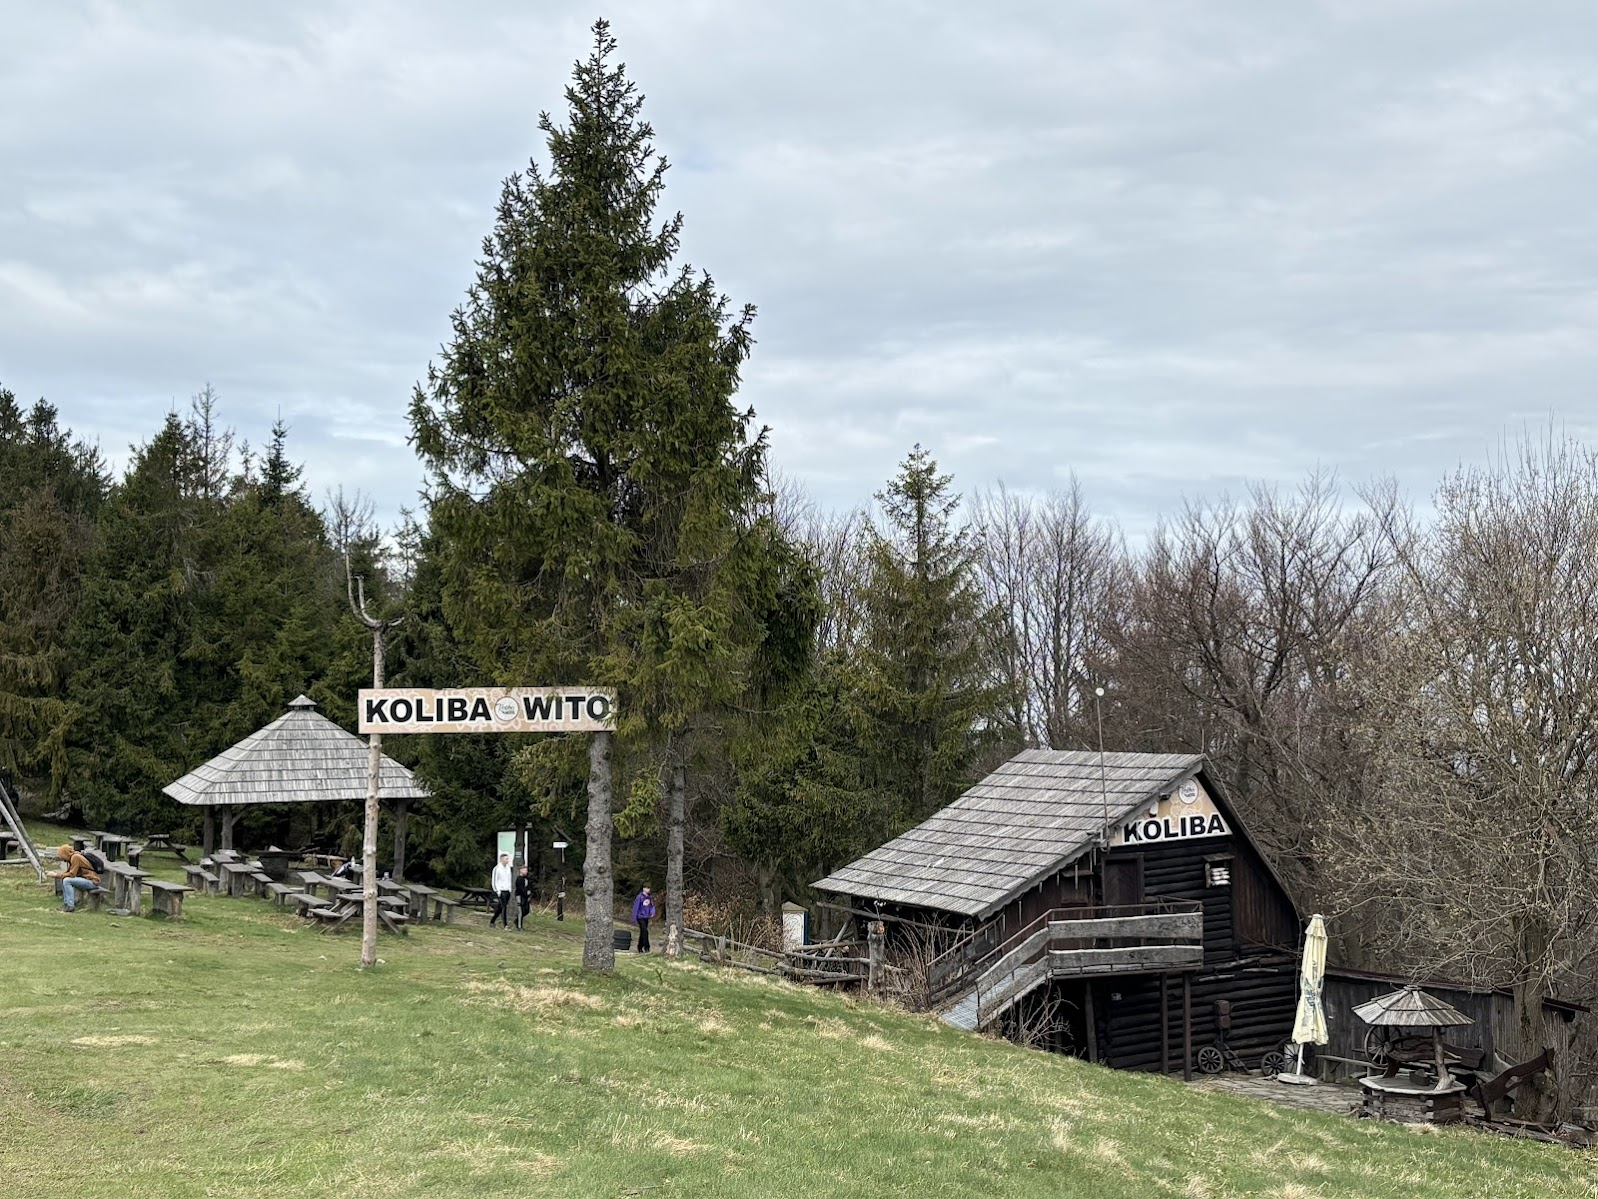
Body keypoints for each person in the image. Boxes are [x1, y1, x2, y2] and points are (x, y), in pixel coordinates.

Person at [47, 845, 101, 913]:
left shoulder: (75, 857)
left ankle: (70, 906)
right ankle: (66, 904)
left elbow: (72, 874)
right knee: (65, 879)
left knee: (67, 880)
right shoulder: (73, 857)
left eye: (61, 855)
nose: (61, 858)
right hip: (86, 880)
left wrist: (56, 875)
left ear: (65, 854)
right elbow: (68, 872)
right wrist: (58, 874)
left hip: (92, 882)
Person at [489, 853, 513, 928]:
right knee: (504, 907)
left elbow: (509, 879)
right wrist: (497, 891)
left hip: (507, 890)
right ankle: (505, 925)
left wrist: (510, 889)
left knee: (500, 908)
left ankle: (492, 921)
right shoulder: (497, 868)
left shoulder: (508, 868)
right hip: (500, 890)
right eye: (506, 859)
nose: (508, 860)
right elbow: (494, 881)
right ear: (501, 859)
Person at [631, 884, 656, 953]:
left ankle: (640, 947)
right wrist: (634, 918)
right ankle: (647, 947)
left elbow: (651, 906)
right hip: (640, 917)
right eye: (647, 888)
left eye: (649, 888)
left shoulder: (649, 897)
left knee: (642, 933)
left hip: (646, 917)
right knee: (645, 932)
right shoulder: (639, 897)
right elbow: (636, 908)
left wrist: (652, 912)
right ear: (644, 889)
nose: (648, 890)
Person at [514, 865, 533, 931]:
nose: (526, 871)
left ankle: (517, 920)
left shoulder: (527, 878)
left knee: (526, 910)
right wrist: (525, 893)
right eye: (525, 870)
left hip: (526, 897)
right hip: (520, 896)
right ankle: (519, 926)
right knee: (521, 911)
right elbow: (520, 888)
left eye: (526, 870)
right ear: (521, 870)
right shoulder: (519, 879)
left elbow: (530, 886)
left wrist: (529, 892)